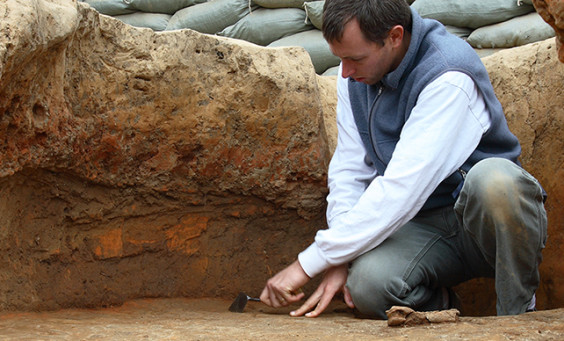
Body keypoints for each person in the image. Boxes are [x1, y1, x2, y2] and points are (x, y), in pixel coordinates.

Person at [259, 0, 548, 319]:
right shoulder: (353, 77)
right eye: (341, 59)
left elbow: (402, 187)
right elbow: (350, 170)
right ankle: (442, 309)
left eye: (355, 58)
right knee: (368, 287)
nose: (345, 71)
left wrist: (310, 262)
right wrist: (341, 257)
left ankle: (518, 313)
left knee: (495, 183)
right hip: (424, 225)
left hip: (485, 224)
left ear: (395, 36)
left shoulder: (448, 74)